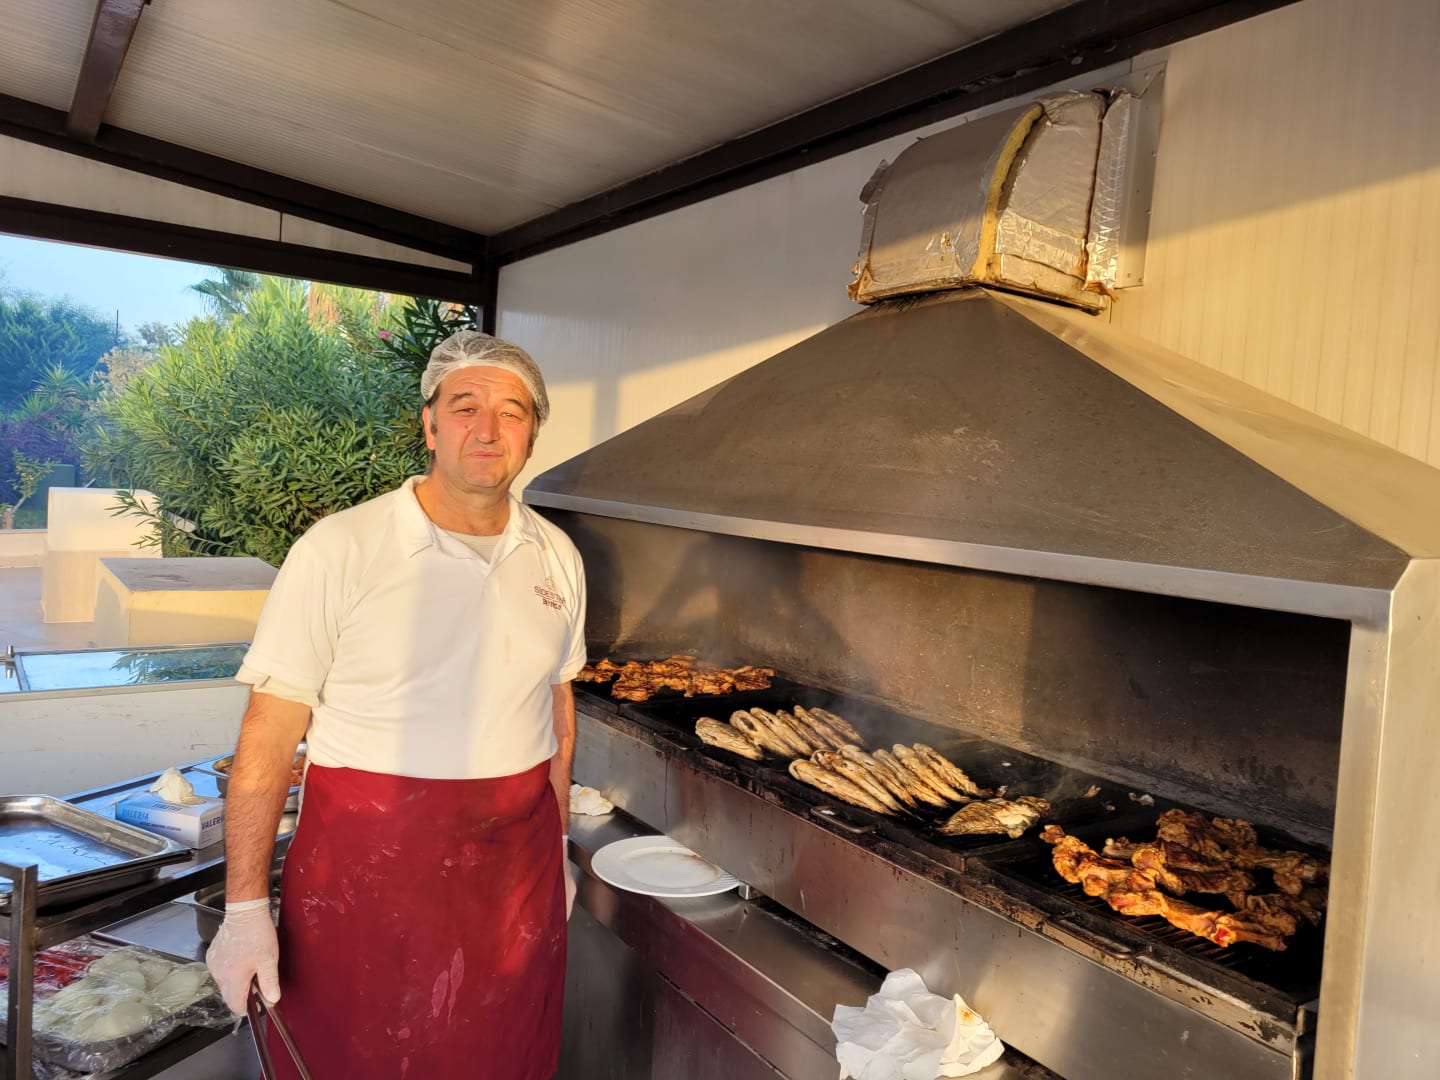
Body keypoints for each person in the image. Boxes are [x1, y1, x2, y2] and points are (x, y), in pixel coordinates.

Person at [205, 330, 586, 1080]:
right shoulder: (342, 547)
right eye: (465, 406)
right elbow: (270, 733)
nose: (488, 429)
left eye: (511, 412)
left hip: (516, 878)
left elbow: (558, 711)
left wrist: (562, 844)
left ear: (533, 434)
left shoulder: (557, 556)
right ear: (430, 425)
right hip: (368, 876)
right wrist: (244, 907)